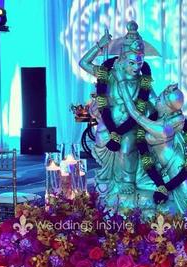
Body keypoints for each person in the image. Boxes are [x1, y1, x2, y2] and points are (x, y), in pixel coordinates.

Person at [79, 21, 156, 208]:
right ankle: (109, 182)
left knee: (127, 148)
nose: (136, 67)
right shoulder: (109, 74)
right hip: (109, 124)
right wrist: (100, 45)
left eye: (140, 63)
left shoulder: (142, 81)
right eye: (132, 63)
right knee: (103, 145)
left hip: (130, 124)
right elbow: (83, 63)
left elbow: (154, 102)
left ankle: (127, 181)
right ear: (122, 59)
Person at [114, 68, 187, 214]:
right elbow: (152, 96)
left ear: (167, 107)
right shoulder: (163, 116)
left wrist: (122, 83)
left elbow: (135, 113)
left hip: (178, 169)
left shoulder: (163, 128)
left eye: (160, 99)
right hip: (163, 169)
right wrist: (142, 76)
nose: (156, 100)